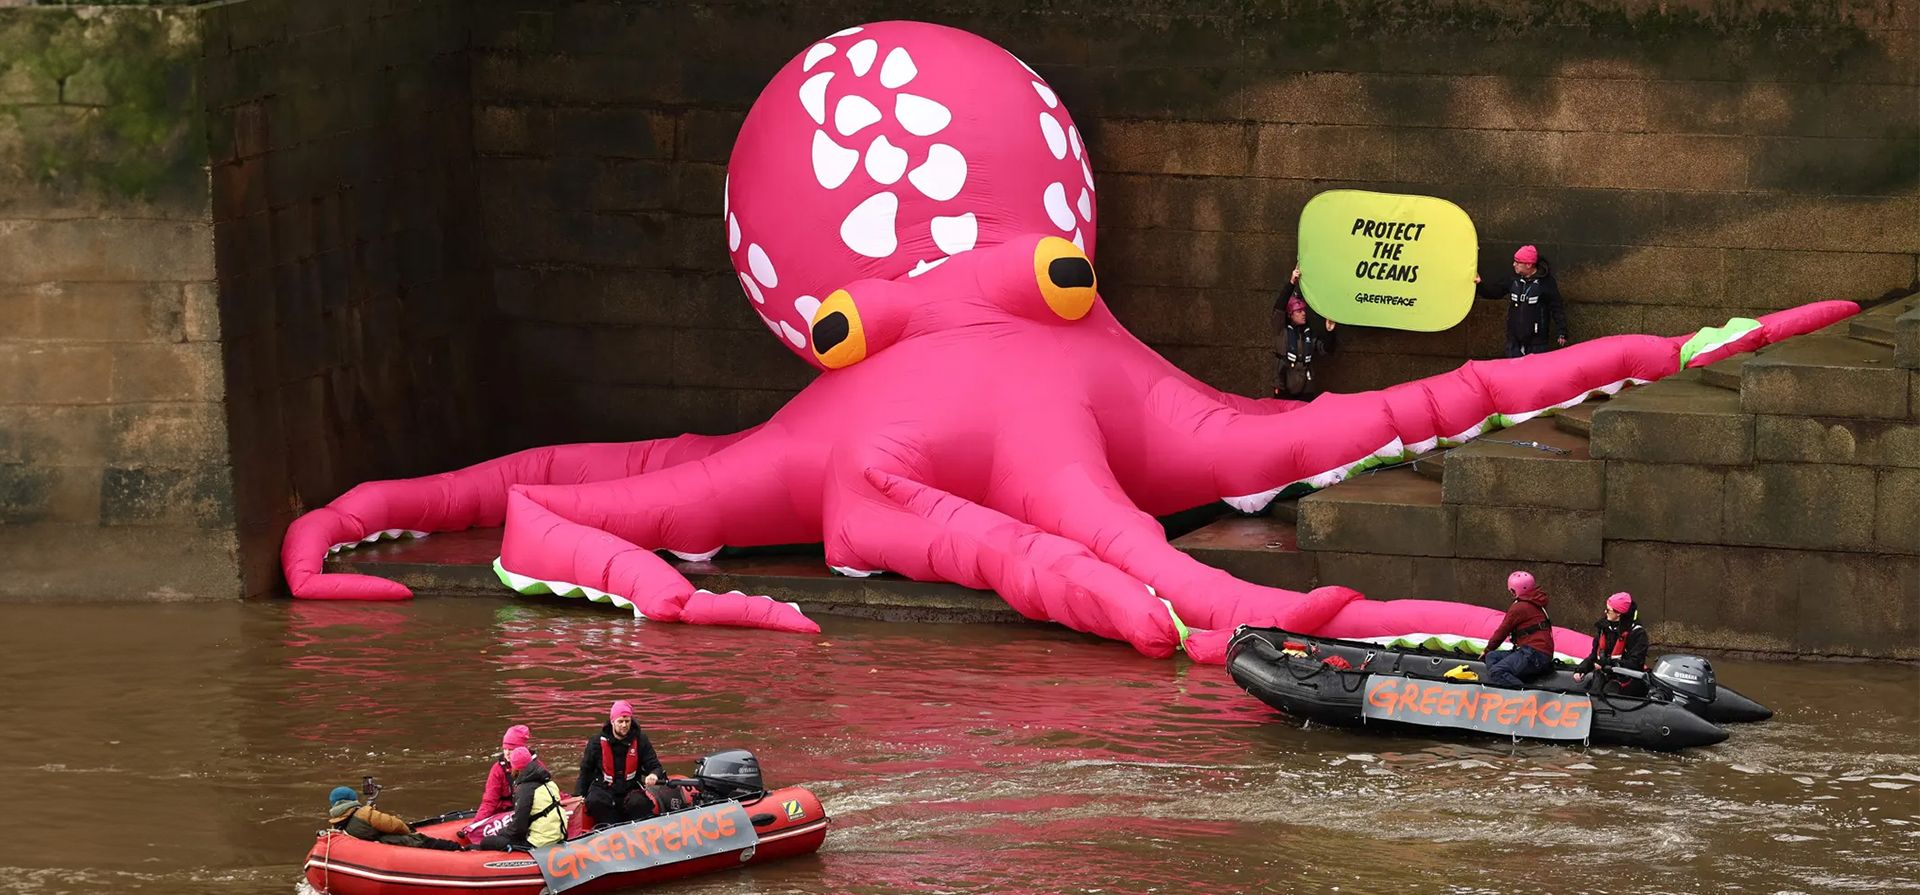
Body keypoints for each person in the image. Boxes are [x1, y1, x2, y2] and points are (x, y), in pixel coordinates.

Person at [575, 700, 665, 827]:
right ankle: (609, 828)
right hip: (604, 789)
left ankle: (636, 829)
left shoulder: (640, 740)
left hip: (630, 788)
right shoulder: (596, 742)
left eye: (627, 721)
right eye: (620, 722)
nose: (624, 725)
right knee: (594, 801)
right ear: (612, 722)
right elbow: (586, 771)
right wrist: (579, 795)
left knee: (639, 802)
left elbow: (655, 766)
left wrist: (654, 775)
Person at [1474, 245, 1568, 357]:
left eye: (1518, 262)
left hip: (1537, 343)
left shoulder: (1546, 283)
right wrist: (1480, 284)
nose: (1514, 265)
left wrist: (1562, 331)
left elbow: (1556, 307)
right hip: (1514, 341)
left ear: (1528, 264)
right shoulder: (1513, 280)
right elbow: (1494, 293)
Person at [475, 747, 567, 851]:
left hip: (540, 841)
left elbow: (518, 828)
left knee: (486, 842)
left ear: (516, 767)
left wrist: (501, 832)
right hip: (559, 834)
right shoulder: (549, 782)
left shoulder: (524, 790)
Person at [1480, 570, 1556, 687]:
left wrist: (1487, 649)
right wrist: (1489, 653)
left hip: (1534, 654)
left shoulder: (1519, 608)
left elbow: (1503, 630)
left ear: (1514, 590)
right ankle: (1505, 683)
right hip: (1535, 652)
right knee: (1492, 657)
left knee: (1497, 671)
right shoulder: (1536, 603)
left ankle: (1524, 695)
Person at [327, 785, 464, 851]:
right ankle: (460, 849)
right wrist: (410, 832)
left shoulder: (337, 821)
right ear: (352, 799)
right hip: (386, 843)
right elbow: (395, 825)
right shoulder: (364, 813)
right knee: (423, 840)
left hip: (370, 847)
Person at [1272, 266, 1338, 398]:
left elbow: (1326, 350)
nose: (1303, 314)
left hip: (1306, 389)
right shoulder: (1281, 330)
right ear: (1290, 314)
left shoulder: (1309, 333)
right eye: (1299, 311)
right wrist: (1292, 282)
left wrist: (1330, 333)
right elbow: (1279, 307)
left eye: (1304, 311)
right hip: (1285, 387)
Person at [1574, 592, 1650, 696]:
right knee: (1595, 690)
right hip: (1604, 675)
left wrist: (1607, 663)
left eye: (1608, 610)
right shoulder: (1604, 629)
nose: (1605, 612)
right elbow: (1594, 656)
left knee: (1610, 690)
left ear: (1618, 613)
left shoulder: (1637, 634)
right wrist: (1582, 668)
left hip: (1626, 679)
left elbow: (1635, 663)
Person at [477, 724, 532, 819]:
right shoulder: (498, 769)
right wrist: (476, 823)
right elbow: (489, 801)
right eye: (505, 749)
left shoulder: (534, 765)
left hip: (526, 809)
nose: (506, 753)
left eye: (511, 749)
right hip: (504, 814)